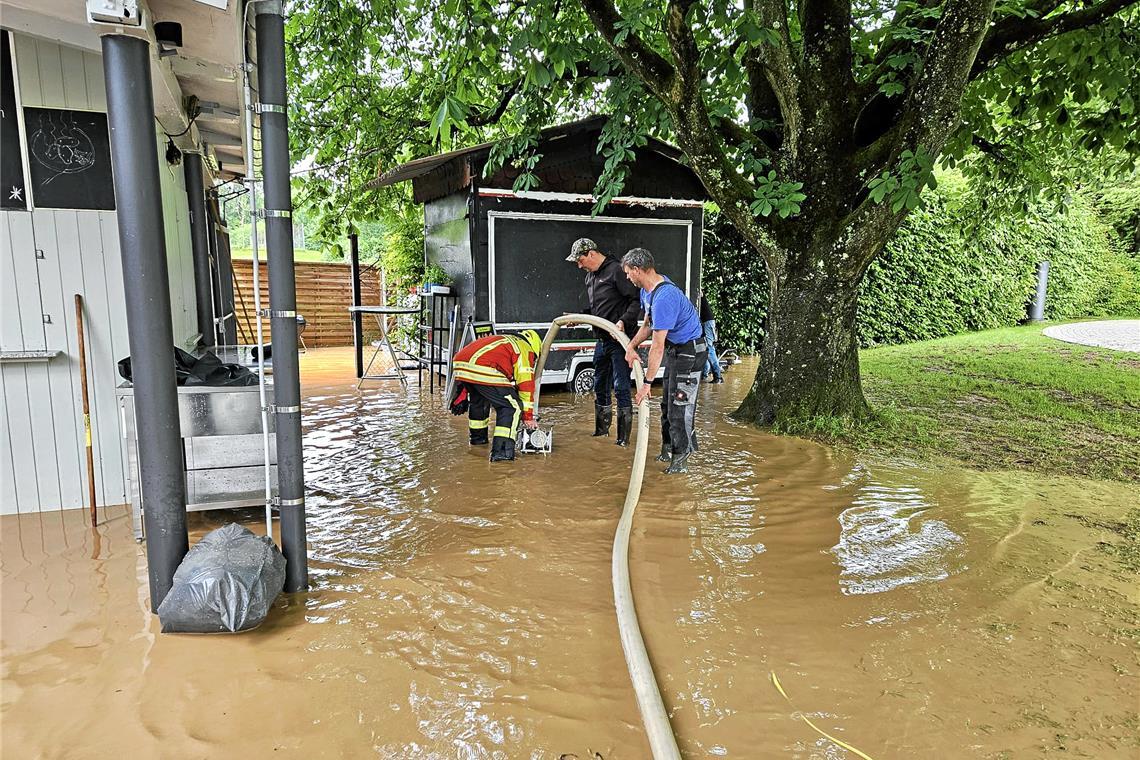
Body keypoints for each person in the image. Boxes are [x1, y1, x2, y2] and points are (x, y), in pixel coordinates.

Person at [620, 248, 706, 474]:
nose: (628, 277)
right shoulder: (648, 292)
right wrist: (631, 345)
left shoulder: (665, 298)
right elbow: (648, 325)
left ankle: (681, 461)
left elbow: (657, 346)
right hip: (676, 350)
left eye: (629, 273)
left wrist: (647, 384)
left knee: (680, 406)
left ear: (638, 270)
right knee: (667, 405)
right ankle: (668, 450)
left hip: (691, 352)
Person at [565, 237, 642, 446]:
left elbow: (636, 301)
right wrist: (579, 316)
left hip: (621, 341)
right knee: (599, 384)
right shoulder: (590, 278)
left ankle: (622, 441)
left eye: (580, 260)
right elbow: (597, 310)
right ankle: (601, 433)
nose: (579, 266)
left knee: (621, 387)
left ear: (591, 253)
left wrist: (623, 322)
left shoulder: (616, 271)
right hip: (602, 340)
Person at [450, 329, 542, 462]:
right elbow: (526, 384)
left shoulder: (505, 340)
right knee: (512, 407)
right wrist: (527, 417)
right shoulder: (524, 347)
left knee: (479, 401)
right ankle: (502, 455)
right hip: (484, 367)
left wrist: (464, 390)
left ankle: (478, 443)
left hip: (461, 364)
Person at [698, 290, 724, 383]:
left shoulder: (699, 292)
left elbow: (700, 292)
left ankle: (718, 377)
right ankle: (704, 375)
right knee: (705, 348)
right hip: (707, 322)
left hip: (707, 322)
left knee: (709, 348)